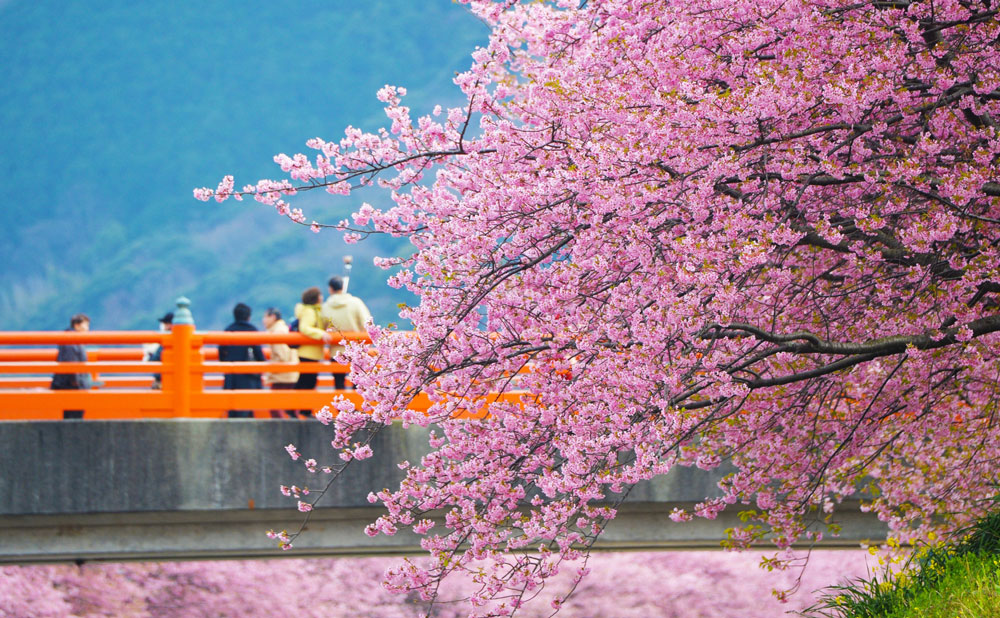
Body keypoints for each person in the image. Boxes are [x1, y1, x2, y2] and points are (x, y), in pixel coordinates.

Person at [320, 275, 372, 391]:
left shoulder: (325, 307)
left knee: (339, 384)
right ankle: (357, 402)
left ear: (330, 289)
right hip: (356, 349)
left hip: (336, 351)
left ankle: (340, 402)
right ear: (343, 287)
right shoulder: (356, 303)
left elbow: (321, 327)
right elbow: (366, 323)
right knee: (358, 384)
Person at [218, 302, 265, 418]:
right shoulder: (252, 330)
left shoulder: (228, 330)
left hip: (231, 375)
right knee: (247, 406)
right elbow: (259, 354)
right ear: (248, 316)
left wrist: (226, 362)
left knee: (232, 406)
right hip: (248, 376)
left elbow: (221, 352)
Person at [293, 287, 330, 417]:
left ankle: (302, 409)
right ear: (316, 298)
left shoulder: (314, 310)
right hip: (308, 352)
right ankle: (300, 408)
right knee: (306, 382)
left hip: (310, 352)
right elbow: (304, 328)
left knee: (307, 381)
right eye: (320, 295)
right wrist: (321, 334)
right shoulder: (309, 311)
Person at [50, 313, 91, 419]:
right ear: (77, 325)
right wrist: (78, 384)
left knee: (71, 417)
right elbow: (71, 364)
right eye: (85, 326)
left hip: (70, 385)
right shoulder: (71, 340)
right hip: (72, 386)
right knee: (74, 417)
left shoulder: (71, 338)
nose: (87, 329)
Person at [261, 307, 299, 419]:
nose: (263, 320)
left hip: (282, 374)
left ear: (273, 317)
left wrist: (271, 370)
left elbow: (282, 355)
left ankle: (283, 428)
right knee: (289, 406)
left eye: (265, 317)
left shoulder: (277, 332)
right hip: (290, 372)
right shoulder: (283, 328)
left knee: (275, 406)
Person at [145, 311, 173, 389]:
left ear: (169, 325)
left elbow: (154, 359)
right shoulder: (181, 339)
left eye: (165, 324)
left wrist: (150, 354)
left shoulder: (166, 341)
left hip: (164, 380)